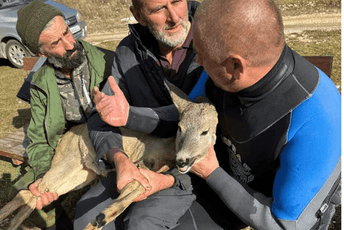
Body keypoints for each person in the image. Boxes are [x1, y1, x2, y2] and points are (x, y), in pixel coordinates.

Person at [184, 0, 341, 229]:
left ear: (235, 66)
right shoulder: (221, 73)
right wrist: (128, 114)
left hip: (263, 209)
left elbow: (283, 224)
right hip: (219, 182)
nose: (197, 62)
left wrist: (212, 173)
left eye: (202, 56)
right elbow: (187, 112)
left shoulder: (316, 117)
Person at [74, 0, 207, 229]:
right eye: (158, 9)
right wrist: (119, 158)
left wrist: (130, 117)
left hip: (195, 167)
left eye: (177, 1)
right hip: (141, 160)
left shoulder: (212, 37)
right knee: (85, 217)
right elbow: (101, 116)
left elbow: (194, 114)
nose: (174, 17)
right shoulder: (127, 51)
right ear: (138, 15)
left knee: (140, 223)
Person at [13, 0, 111, 228]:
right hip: (69, 154)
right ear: (41, 52)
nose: (70, 44)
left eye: (67, 31)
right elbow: (38, 140)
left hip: (108, 151)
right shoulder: (40, 84)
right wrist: (43, 175)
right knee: (27, 194)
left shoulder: (108, 62)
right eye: (56, 42)